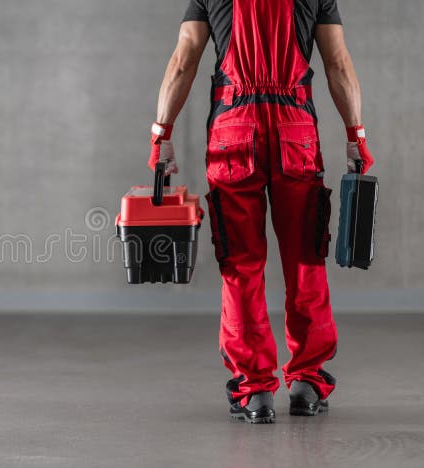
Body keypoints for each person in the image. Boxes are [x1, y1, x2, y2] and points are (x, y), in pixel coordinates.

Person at [150, 0, 375, 423]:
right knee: (306, 260)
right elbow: (338, 64)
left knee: (241, 264)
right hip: (296, 132)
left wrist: (160, 132)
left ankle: (254, 391)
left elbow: (184, 60)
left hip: (233, 132)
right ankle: (307, 382)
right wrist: (355, 135)